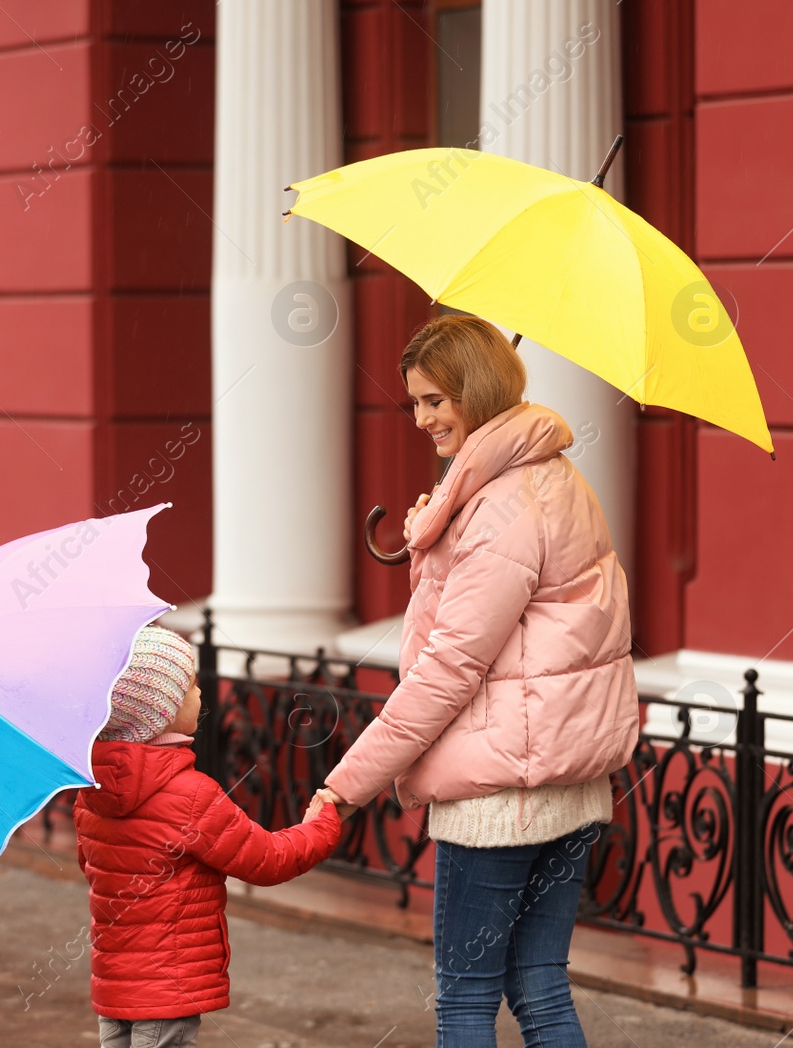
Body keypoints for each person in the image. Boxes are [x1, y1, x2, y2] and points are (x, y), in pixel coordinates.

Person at [317, 315, 640, 1047]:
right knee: (540, 988)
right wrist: (436, 536)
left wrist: (346, 784)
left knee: (465, 1003)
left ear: (478, 388)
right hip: (566, 785)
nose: (425, 417)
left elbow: (448, 668)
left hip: (498, 795)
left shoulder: (499, 506)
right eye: (416, 402)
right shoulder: (557, 481)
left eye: (438, 399)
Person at [75, 625, 340, 1048]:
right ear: (160, 712)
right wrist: (323, 825)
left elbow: (92, 866)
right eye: (190, 687)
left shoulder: (90, 792)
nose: (201, 694)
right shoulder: (189, 795)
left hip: (115, 983)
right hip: (169, 983)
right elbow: (267, 860)